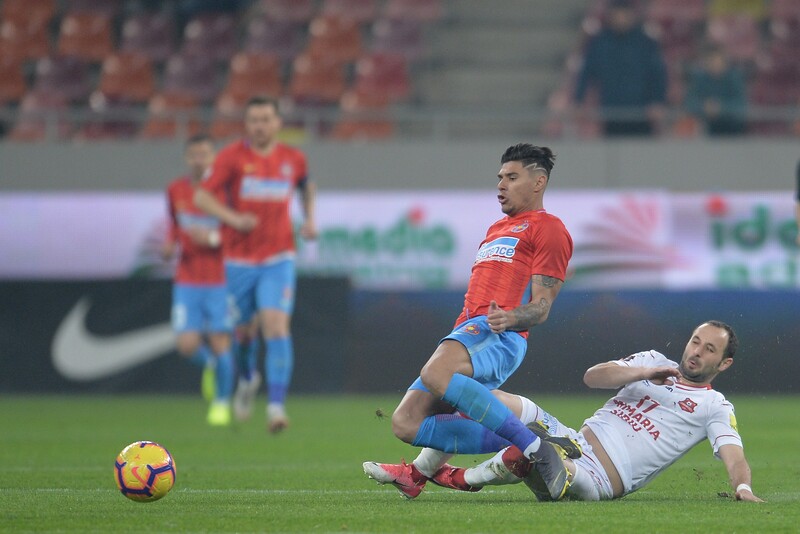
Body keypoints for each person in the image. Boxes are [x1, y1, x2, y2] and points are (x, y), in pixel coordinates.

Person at [363, 143, 574, 501]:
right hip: (468, 330)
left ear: (538, 182)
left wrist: (508, 317)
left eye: (512, 177)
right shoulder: (496, 228)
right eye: (499, 178)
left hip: (497, 333)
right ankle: (419, 473)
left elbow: (542, 307)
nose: (501, 185)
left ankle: (535, 447)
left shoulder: (549, 228)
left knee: (435, 374)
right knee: (406, 422)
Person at [425, 321, 764, 503]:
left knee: (535, 454)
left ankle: (466, 478)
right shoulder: (651, 361)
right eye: (695, 341)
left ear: (724, 362)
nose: (696, 352)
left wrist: (743, 488)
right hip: (572, 439)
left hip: (599, 478)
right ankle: (422, 468)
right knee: (495, 398)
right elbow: (593, 377)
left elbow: (734, 456)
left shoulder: (714, 406)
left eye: (709, 349)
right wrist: (642, 373)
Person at [194, 95, 317, 433]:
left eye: (266, 119)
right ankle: (248, 380)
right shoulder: (231, 157)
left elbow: (307, 187)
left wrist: (309, 220)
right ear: (246, 125)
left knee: (276, 327)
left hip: (278, 258)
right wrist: (232, 218)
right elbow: (202, 195)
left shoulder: (293, 159)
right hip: (238, 261)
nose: (260, 126)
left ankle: (276, 406)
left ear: (278, 123)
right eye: (254, 120)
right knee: (244, 332)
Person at [161, 133, 235, 426]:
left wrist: (214, 237)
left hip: (220, 279)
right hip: (187, 279)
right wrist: (170, 243)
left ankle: (221, 403)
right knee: (187, 345)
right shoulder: (176, 189)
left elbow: (239, 231)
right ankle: (211, 365)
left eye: (204, 154)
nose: (199, 160)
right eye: (194, 154)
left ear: (214, 157)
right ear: (186, 158)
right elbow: (174, 224)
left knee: (220, 340)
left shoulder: (225, 192)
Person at [574, 0, 668, 136]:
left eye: (624, 14)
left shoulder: (646, 42)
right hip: (611, 113)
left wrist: (658, 100)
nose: (621, 18)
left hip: (641, 114)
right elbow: (586, 72)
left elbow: (658, 74)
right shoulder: (599, 42)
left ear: (632, 15)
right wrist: (579, 100)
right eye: (617, 14)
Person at [684, 46, 747, 136]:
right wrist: (704, 107)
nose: (715, 65)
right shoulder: (699, 79)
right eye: (712, 62)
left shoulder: (734, 79)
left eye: (718, 62)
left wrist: (720, 108)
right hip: (706, 128)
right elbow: (689, 102)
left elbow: (740, 105)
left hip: (732, 129)